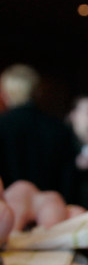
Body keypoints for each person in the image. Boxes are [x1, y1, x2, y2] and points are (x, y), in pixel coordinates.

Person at [0, 64, 75, 196]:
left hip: (10, 209)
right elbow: (68, 178)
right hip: (53, 208)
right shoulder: (58, 127)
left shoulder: (3, 125)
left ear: (6, 92)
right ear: (37, 91)